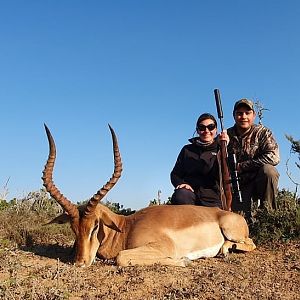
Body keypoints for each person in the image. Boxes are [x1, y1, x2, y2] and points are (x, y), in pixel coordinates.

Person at [220, 99, 280, 221]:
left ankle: (268, 216)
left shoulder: (263, 132)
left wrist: (242, 166)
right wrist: (219, 143)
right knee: (239, 220)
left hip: (259, 180)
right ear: (234, 115)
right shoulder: (226, 135)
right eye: (239, 113)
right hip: (237, 185)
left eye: (247, 113)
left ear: (254, 115)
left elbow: (274, 157)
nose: (243, 117)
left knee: (269, 171)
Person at [170, 113, 225, 208]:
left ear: (216, 130)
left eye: (211, 127)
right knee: (181, 195)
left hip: (212, 196)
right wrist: (182, 183)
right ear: (197, 130)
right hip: (189, 193)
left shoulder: (222, 149)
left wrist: (225, 147)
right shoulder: (187, 150)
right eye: (202, 127)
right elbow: (175, 174)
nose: (206, 131)